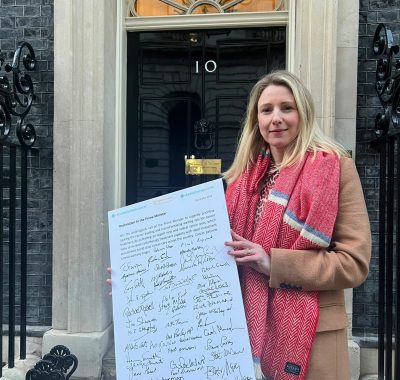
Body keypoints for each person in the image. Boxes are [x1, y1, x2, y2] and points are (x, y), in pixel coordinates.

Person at [223, 70, 371, 380]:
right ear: (256, 120)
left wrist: (273, 263)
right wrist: (144, 283)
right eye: (267, 110)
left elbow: (354, 264)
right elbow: (216, 252)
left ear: (303, 113)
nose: (276, 118)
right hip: (242, 336)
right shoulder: (240, 180)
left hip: (311, 340)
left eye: (286, 108)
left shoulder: (335, 168)